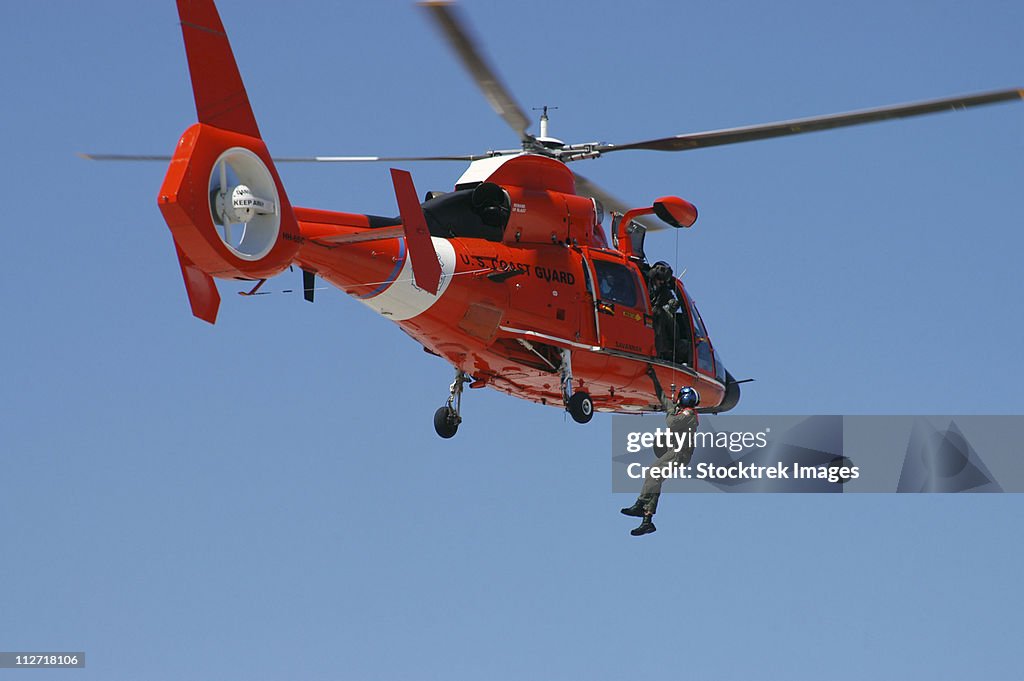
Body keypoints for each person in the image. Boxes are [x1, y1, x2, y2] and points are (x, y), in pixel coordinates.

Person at [621, 365, 700, 536]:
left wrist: (671, 411)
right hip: (674, 451)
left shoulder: (689, 415)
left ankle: (640, 503)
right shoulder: (680, 411)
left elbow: (672, 423)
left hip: (680, 453)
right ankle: (647, 520)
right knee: (655, 479)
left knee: (652, 473)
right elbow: (663, 397)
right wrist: (653, 378)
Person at [647, 262, 680, 361]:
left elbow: (671, 300)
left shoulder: (664, 291)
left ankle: (660, 351)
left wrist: (673, 304)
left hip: (655, 320)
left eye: (663, 281)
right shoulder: (643, 283)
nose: (661, 282)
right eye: (659, 279)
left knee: (660, 313)